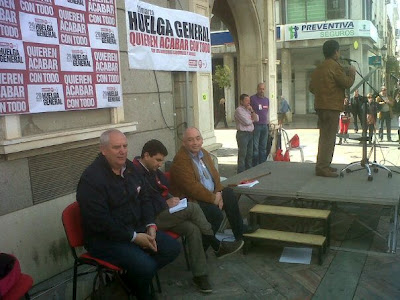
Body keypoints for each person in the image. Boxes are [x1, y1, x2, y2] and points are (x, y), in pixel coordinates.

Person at [76, 129, 180, 300]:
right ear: (103, 150)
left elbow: (145, 197)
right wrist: (133, 237)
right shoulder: (91, 179)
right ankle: (140, 289)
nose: (123, 151)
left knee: (172, 248)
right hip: (104, 239)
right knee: (145, 267)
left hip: (136, 227)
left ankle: (124, 283)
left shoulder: (130, 168)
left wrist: (150, 225)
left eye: (125, 146)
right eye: (117, 147)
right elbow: (100, 222)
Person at [132, 139, 244, 293]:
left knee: (192, 228)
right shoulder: (135, 172)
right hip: (149, 219)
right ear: (146, 155)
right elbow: (142, 202)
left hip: (164, 212)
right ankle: (216, 244)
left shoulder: (151, 169)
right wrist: (166, 203)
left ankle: (200, 275)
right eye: (158, 160)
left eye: (161, 161)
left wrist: (171, 199)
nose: (160, 164)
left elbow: (163, 187)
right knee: (192, 209)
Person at [169, 127, 255, 246]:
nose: (195, 143)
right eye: (190, 140)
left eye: (198, 138)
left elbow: (215, 174)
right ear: (184, 143)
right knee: (215, 214)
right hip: (192, 200)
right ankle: (205, 246)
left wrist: (219, 192)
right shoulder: (181, 160)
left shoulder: (203, 152)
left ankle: (239, 233)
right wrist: (214, 199)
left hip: (211, 194)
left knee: (229, 193)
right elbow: (192, 188)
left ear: (202, 140)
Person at [309, 39, 355, 177]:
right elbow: (346, 83)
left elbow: (311, 87)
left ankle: (324, 165)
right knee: (329, 138)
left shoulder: (319, 67)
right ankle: (323, 168)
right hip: (331, 107)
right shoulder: (335, 66)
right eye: (338, 51)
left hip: (320, 107)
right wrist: (352, 72)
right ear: (336, 52)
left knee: (324, 137)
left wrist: (323, 92)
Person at [234, 94, 259, 173]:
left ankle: (249, 172)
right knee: (242, 154)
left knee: (249, 154)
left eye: (249, 100)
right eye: (246, 100)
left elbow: (257, 119)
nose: (248, 102)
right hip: (243, 134)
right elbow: (246, 122)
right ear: (241, 101)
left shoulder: (249, 109)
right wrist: (252, 119)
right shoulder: (239, 110)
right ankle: (241, 172)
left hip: (250, 133)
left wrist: (252, 111)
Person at [250, 83, 269, 166]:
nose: (261, 91)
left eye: (263, 89)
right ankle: (255, 165)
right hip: (256, 125)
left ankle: (262, 164)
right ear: (257, 89)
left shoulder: (267, 100)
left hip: (265, 125)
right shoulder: (252, 99)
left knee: (263, 147)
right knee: (255, 147)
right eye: (260, 89)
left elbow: (266, 111)